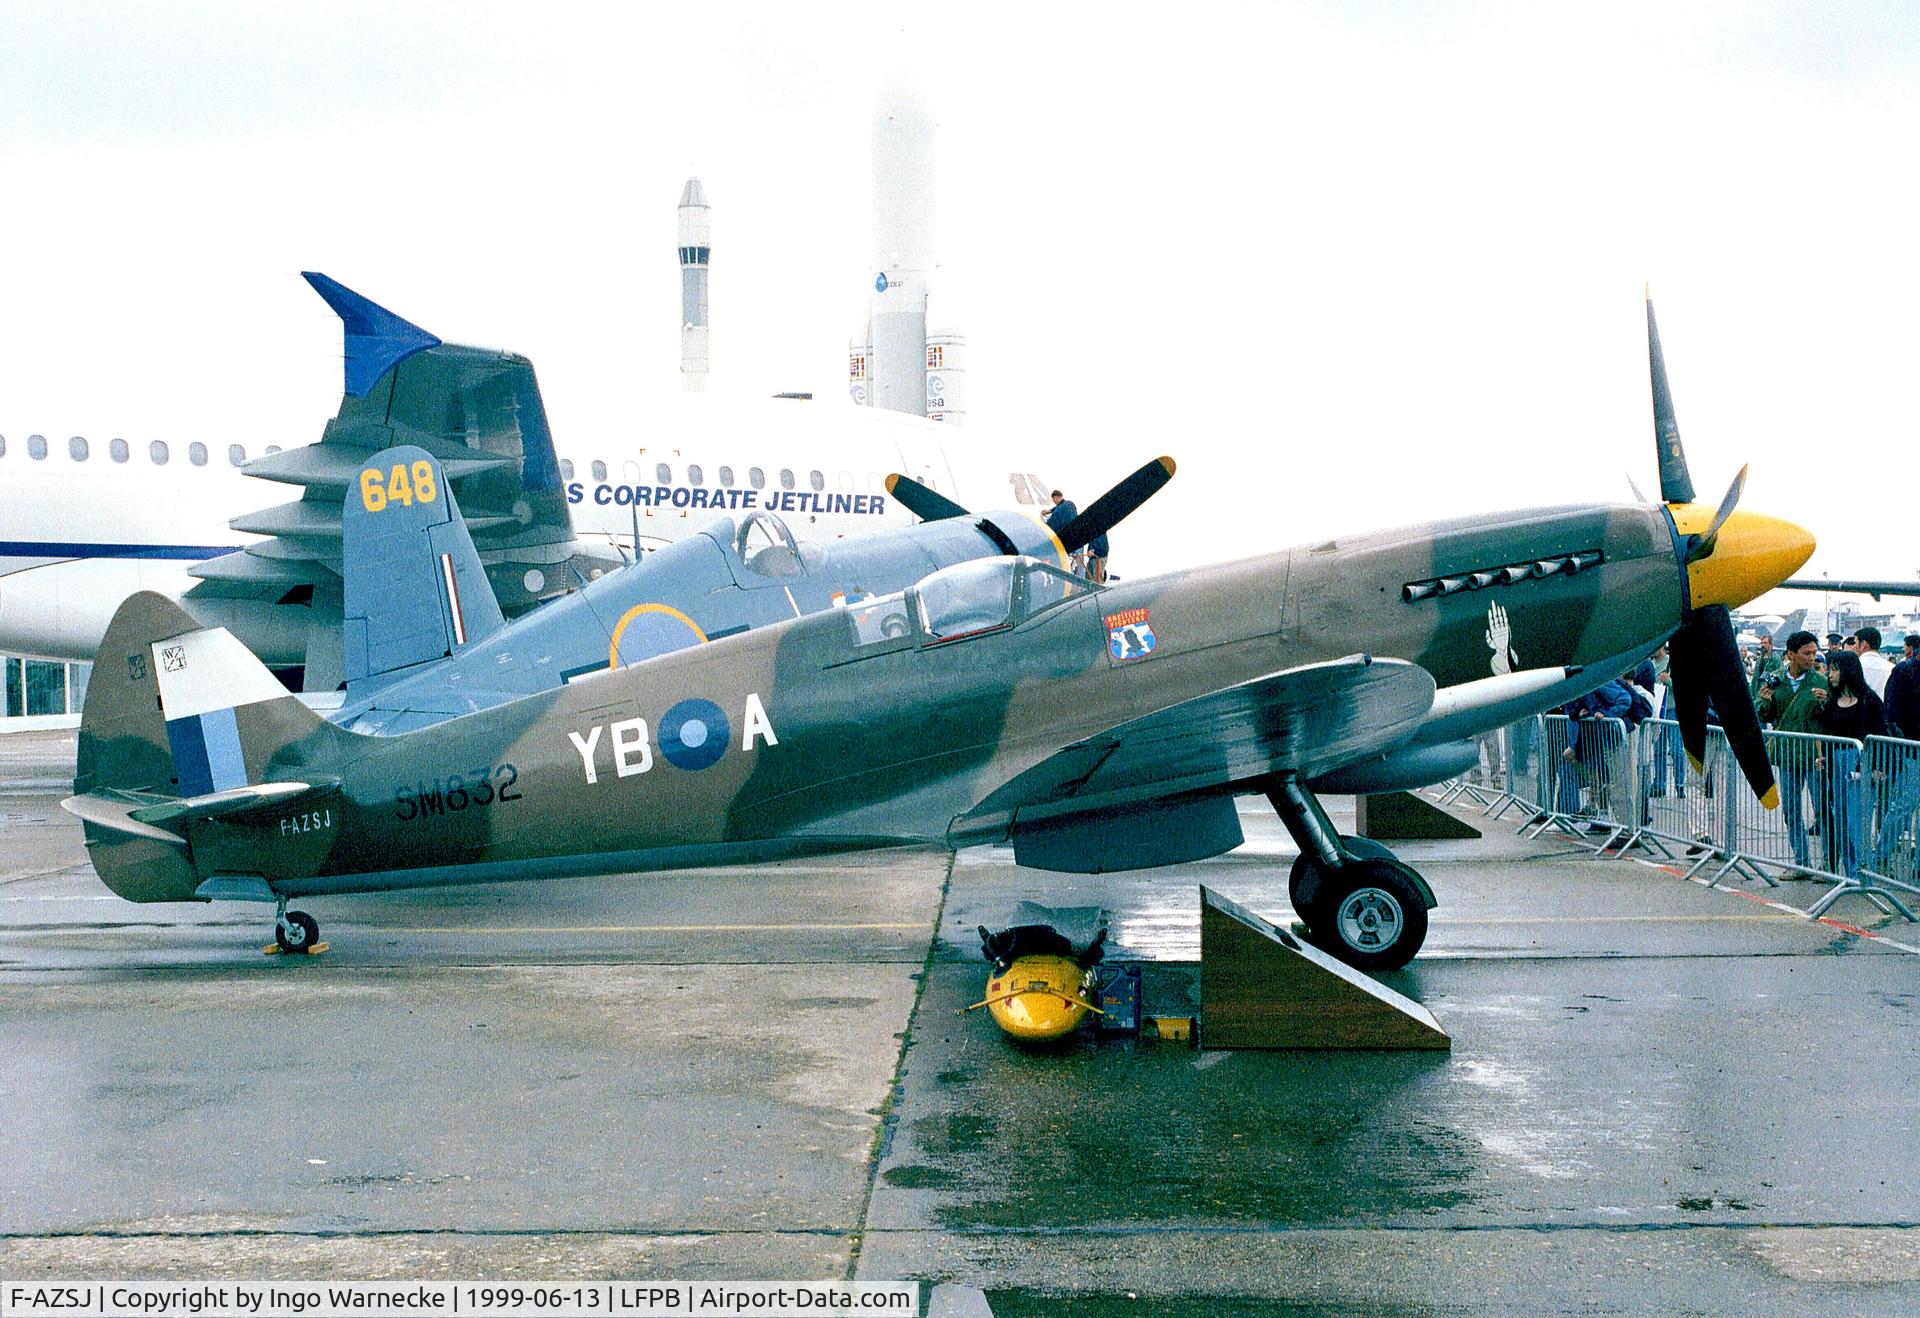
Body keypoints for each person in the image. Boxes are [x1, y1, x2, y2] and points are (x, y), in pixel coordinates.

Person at [1756, 630, 1828, 873]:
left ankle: (1827, 863)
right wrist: (1765, 700)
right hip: (1787, 755)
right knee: (1791, 810)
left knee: (1823, 810)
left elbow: (1831, 716)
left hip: (1814, 756)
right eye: (1806, 653)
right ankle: (1801, 862)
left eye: (1814, 653)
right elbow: (1764, 713)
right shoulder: (1775, 680)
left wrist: (1825, 703)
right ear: (1791, 655)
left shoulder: (1821, 682)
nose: (1812, 658)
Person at [1815, 650, 1887, 878]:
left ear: (1848, 671)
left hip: (1860, 767)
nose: (1830, 674)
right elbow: (1826, 732)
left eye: (1834, 669)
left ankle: (1863, 872)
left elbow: (1880, 734)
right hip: (1836, 767)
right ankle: (1850, 872)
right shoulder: (1832, 701)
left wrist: (1877, 766)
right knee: (1842, 822)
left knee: (1858, 823)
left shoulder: (1870, 700)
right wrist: (1823, 757)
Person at [1851, 625, 1893, 699]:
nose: (1853, 647)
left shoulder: (1852, 667)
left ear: (1863, 644)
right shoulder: (1892, 668)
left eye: (1855, 643)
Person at [1749, 633, 1785, 699]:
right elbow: (1755, 676)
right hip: (1757, 692)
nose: (1762, 645)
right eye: (1761, 643)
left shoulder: (1776, 659)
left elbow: (1781, 675)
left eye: (1765, 643)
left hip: (1768, 693)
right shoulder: (1759, 659)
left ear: (1771, 645)